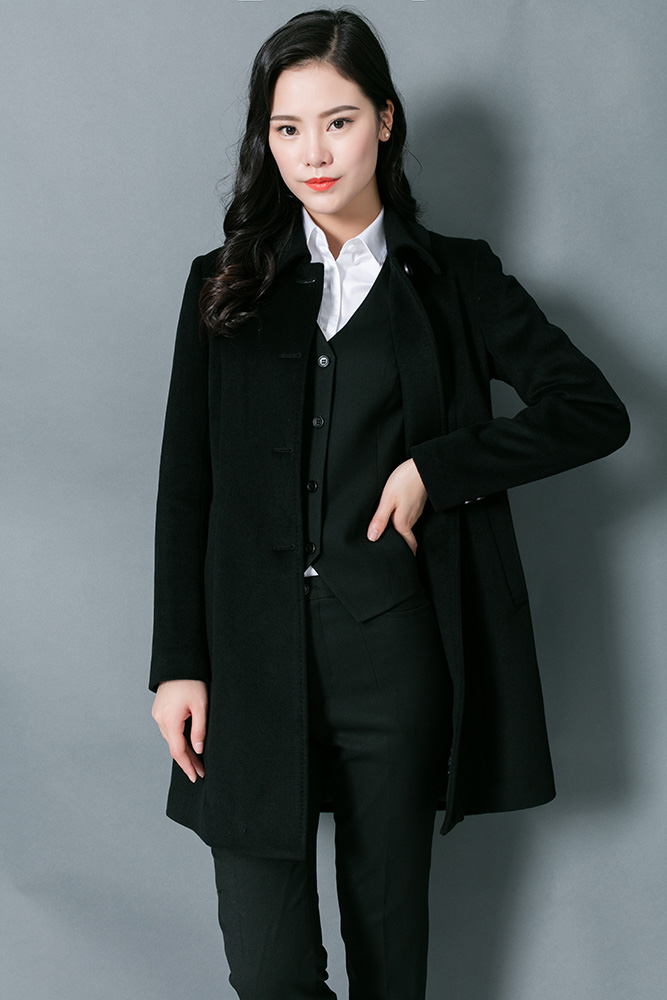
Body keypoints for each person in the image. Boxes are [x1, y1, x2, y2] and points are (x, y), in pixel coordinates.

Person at [149, 8, 630, 999]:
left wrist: (435, 469)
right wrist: (177, 664)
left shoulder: (456, 279)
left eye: (337, 122)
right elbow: (185, 486)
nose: (313, 153)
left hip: (394, 663)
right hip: (249, 664)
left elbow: (592, 411)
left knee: (388, 966)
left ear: (383, 119)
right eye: (287, 128)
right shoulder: (223, 286)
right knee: (269, 971)